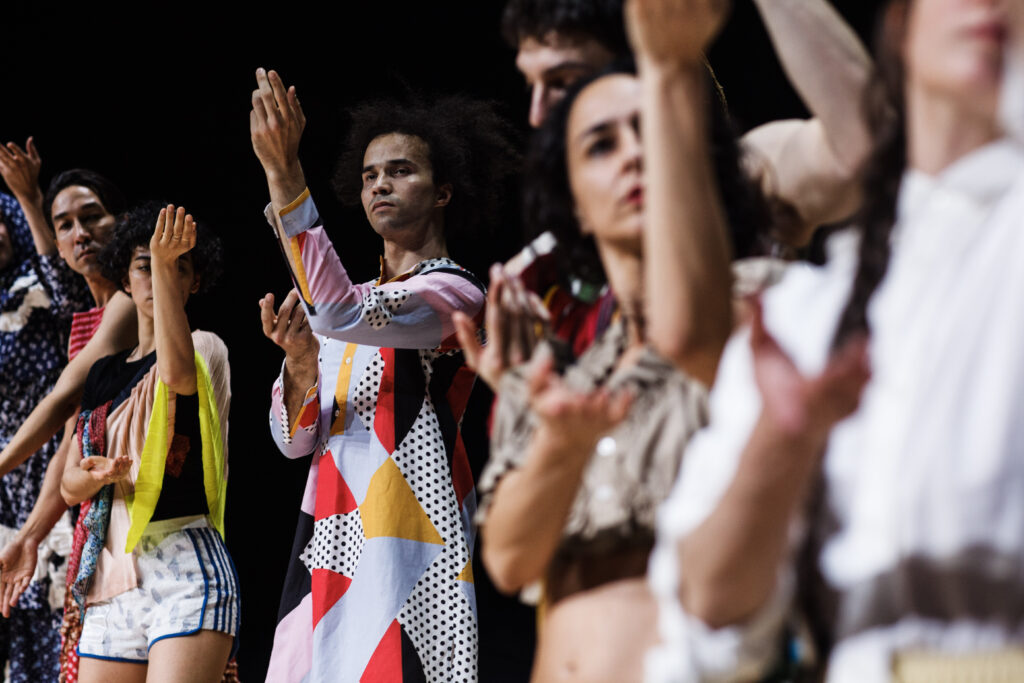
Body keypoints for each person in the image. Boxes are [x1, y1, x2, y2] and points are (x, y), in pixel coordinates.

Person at [648, 0, 1024, 681]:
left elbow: (862, 143)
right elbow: (711, 616)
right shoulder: (804, 316)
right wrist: (781, 442)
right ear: (901, 26)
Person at [464, 0, 786, 672]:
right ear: (573, 196)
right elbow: (508, 557)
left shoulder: (759, 307)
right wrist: (562, 444)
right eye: (601, 144)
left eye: (649, 129)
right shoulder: (559, 359)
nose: (636, 154)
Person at [250, 69, 518, 682]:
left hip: (410, 536)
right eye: (370, 175)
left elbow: (337, 310)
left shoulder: (455, 292)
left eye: (400, 171)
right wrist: (297, 365)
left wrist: (285, 175)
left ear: (443, 192)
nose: (380, 186)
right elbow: (292, 441)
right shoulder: (345, 307)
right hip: (328, 533)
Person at [61, 201, 235, 682]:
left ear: (193, 282)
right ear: (124, 279)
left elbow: (174, 375)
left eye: (179, 267)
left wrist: (160, 261)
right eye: (146, 265)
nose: (161, 276)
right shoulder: (103, 373)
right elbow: (69, 487)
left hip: (185, 565)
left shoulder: (206, 347)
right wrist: (91, 474)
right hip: (114, 576)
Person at [0, 162, 137, 682]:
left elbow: (62, 400)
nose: (79, 234)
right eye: (64, 226)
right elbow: (70, 440)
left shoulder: (128, 303)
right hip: (92, 512)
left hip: (132, 516)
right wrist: (32, 535)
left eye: (92, 217)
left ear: (119, 223)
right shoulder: (90, 310)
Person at [0, 184, 91, 681]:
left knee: (57, 615)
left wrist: (31, 203)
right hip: (6, 492)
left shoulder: (39, 280)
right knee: (15, 616)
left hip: (45, 465)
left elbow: (70, 290)